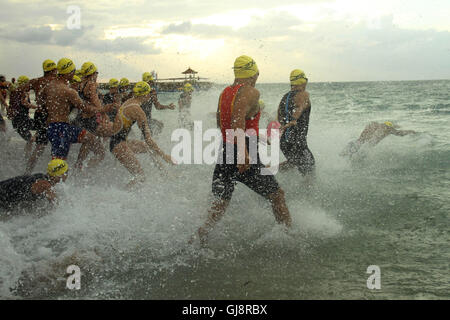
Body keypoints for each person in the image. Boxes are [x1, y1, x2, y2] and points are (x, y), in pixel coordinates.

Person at [193, 55, 292, 245]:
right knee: (277, 195)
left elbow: (222, 123)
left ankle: (199, 238)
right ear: (252, 73)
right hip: (242, 151)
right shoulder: (251, 92)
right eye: (257, 73)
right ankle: (289, 237)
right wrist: (243, 152)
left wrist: (254, 139)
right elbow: (237, 121)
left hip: (227, 149)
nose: (257, 77)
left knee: (220, 204)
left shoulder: (225, 92)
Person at [107, 81, 175, 188]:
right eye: (149, 93)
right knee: (140, 177)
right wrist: (164, 155)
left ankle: (164, 173)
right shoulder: (138, 111)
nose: (150, 95)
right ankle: (120, 197)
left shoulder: (129, 102)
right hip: (118, 145)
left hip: (118, 142)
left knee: (146, 147)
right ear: (145, 94)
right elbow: (149, 139)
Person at [42, 58, 104, 169]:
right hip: (61, 129)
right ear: (69, 72)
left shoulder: (49, 86)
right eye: (73, 71)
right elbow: (83, 107)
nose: (74, 74)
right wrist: (102, 110)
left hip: (54, 127)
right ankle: (51, 184)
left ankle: (78, 170)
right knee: (58, 165)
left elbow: (40, 100)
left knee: (91, 139)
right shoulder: (68, 91)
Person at [277, 69, 315, 178]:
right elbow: (300, 106)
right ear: (303, 81)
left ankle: (269, 171)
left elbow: (279, 117)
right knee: (310, 171)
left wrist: (286, 124)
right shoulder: (303, 94)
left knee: (293, 162)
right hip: (297, 142)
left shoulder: (285, 97)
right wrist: (294, 119)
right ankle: (308, 194)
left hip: (285, 142)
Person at [22, 59, 58, 174]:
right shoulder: (54, 81)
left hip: (38, 114)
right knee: (47, 145)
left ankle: (28, 170)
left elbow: (21, 89)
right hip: (48, 115)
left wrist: (27, 101)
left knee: (40, 144)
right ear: (53, 70)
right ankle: (56, 172)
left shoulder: (35, 81)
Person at [0, 159, 69, 212]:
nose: (67, 175)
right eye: (66, 172)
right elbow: (57, 206)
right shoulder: (45, 185)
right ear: (59, 175)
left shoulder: (41, 177)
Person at [340, 121, 417, 157]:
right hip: (364, 147)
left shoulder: (375, 124)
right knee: (359, 149)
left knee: (357, 144)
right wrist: (411, 131)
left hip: (357, 143)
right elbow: (400, 134)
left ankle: (342, 155)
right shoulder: (388, 128)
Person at [7, 75, 38, 159]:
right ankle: (27, 156)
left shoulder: (15, 91)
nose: (29, 86)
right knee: (32, 137)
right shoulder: (21, 92)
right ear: (24, 83)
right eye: (28, 84)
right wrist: (36, 107)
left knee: (37, 130)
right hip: (21, 120)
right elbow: (24, 102)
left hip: (19, 119)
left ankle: (26, 155)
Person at [141, 71, 175, 136]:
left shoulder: (152, 93)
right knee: (147, 136)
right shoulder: (141, 93)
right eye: (150, 82)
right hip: (142, 119)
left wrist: (168, 106)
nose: (151, 84)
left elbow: (157, 106)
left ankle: (154, 139)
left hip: (147, 119)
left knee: (159, 125)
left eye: (151, 82)